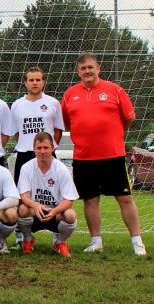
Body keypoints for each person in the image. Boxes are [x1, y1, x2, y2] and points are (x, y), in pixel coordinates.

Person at [61, 52, 146, 256]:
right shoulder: (70, 94)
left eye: (91, 67)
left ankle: (137, 241)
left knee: (125, 198)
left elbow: (128, 119)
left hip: (113, 156)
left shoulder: (115, 90)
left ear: (98, 68)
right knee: (90, 200)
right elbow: (67, 123)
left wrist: (112, 134)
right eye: (83, 68)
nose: (87, 71)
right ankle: (96, 241)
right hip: (83, 158)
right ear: (78, 71)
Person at [9, 66, 64, 249]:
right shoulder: (17, 105)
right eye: (31, 80)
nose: (34, 83)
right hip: (25, 154)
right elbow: (16, 132)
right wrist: (29, 146)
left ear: (43, 82)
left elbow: (57, 131)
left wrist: (48, 149)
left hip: (48, 155)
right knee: (21, 197)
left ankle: (58, 237)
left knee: (53, 193)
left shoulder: (53, 103)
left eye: (38, 79)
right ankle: (22, 237)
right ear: (25, 82)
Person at [17, 132, 78, 257]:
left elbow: (69, 200)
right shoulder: (26, 167)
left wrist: (55, 211)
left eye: (46, 148)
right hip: (36, 212)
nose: (42, 151)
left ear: (52, 148)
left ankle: (59, 243)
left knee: (71, 215)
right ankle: (28, 240)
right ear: (34, 149)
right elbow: (24, 196)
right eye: (39, 148)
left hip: (55, 213)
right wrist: (35, 206)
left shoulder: (61, 169)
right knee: (22, 209)